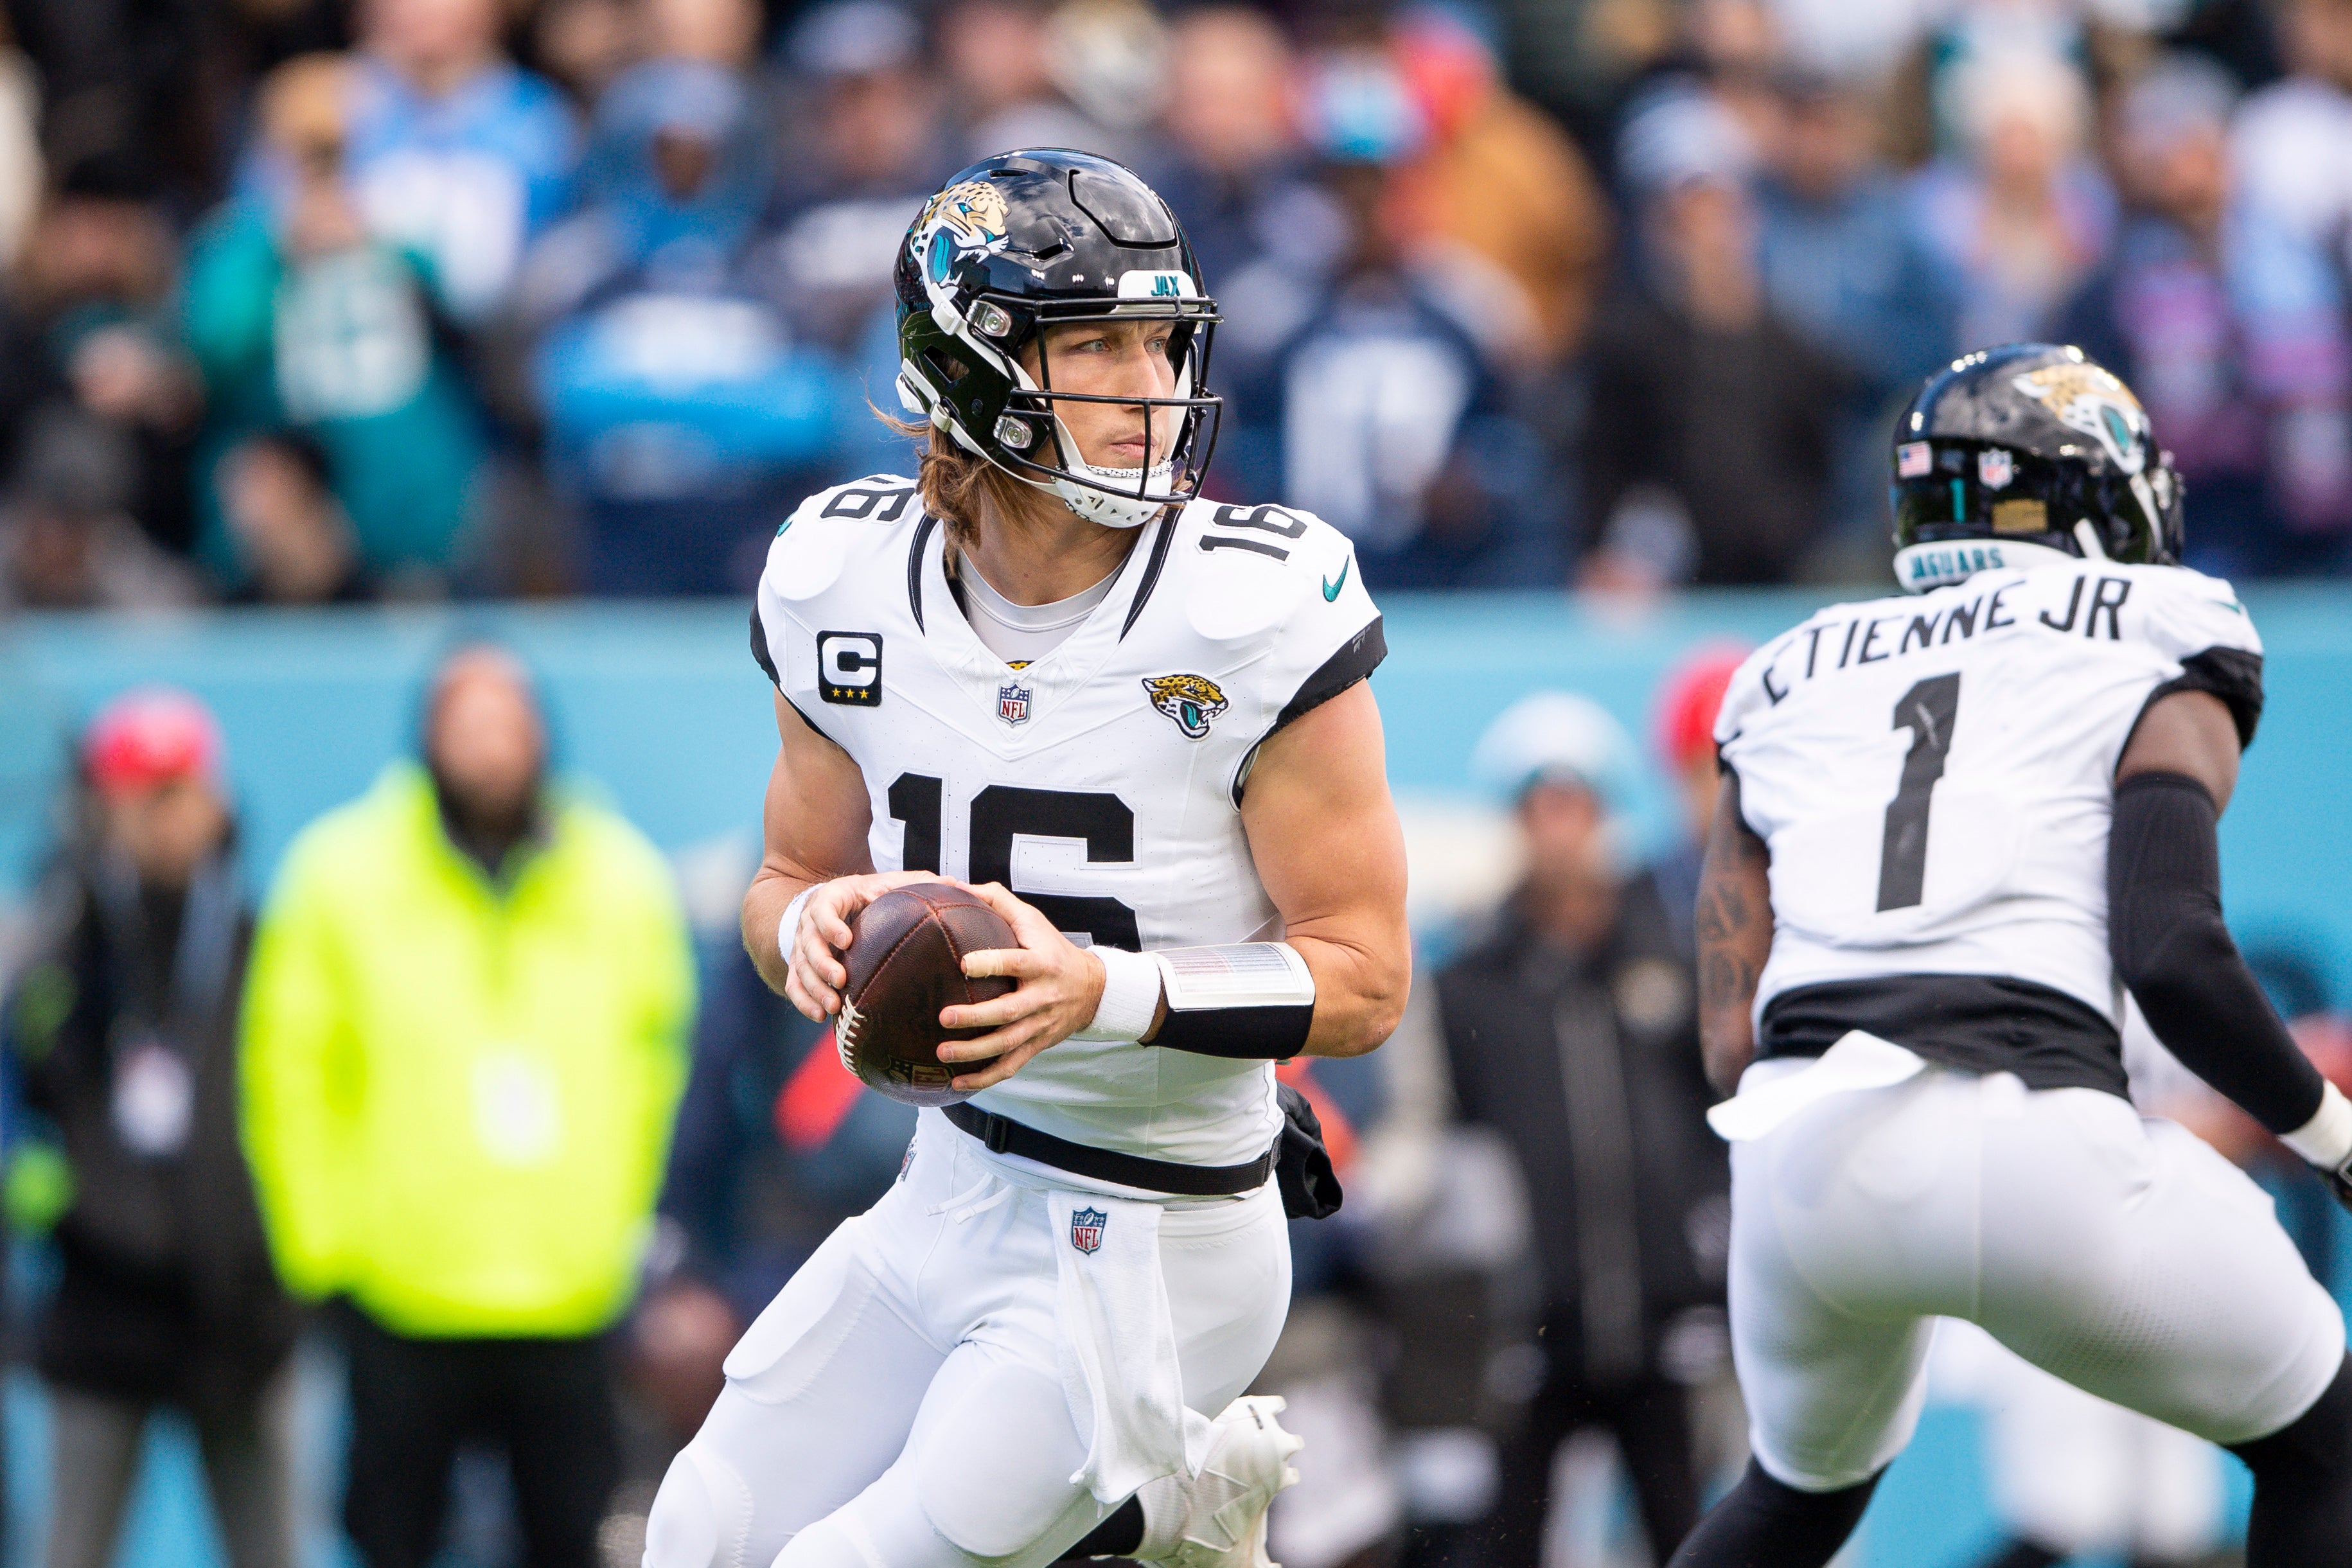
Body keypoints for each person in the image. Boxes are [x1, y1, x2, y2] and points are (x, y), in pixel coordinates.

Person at [641, 149, 1413, 1568]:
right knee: (700, 1532)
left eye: (1159, 337)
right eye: (1096, 344)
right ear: (976, 369)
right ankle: (1160, 1528)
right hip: (947, 1187)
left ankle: (1138, 1500)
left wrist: (1097, 991)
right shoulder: (841, 577)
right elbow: (776, 886)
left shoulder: (1252, 606)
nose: (1147, 382)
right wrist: (807, 923)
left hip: (1161, 1230)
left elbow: (1365, 983)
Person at [1667, 342, 2352, 1568]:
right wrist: (2333, 1141)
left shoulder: (1785, 670)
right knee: (2325, 1447)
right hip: (2032, 1134)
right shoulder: (2158, 623)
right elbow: (2173, 952)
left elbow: (1728, 1030)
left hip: (1798, 1156)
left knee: (1791, 1500)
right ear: (2096, 492)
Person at [240, 644, 695, 1568]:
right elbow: (288, 1069)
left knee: (574, 1538)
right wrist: (321, 1248)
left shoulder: (620, 877)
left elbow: (664, 1061)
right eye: (468, 723)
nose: (491, 749)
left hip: (570, 1289)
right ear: (427, 737)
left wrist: (628, 1219)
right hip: (401, 1289)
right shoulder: (338, 875)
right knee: (392, 1537)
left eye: (509, 723)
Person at [4, 691, 298, 1568]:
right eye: (145, 794)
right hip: (99, 1313)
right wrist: (77, 1217)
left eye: (182, 790)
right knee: (73, 1547)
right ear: (106, 808)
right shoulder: (62, 951)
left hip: (241, 1314)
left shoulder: (261, 947)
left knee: (270, 1546)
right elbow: (35, 1107)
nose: (168, 818)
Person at [1435, 693, 1727, 1568]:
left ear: (1605, 813)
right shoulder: (1472, 979)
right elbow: (1455, 1143)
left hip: (1663, 1313)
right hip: (1533, 1325)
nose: (1559, 829)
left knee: (1691, 1535)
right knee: (1509, 1542)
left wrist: (1703, 1252)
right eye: (1539, 806)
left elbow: (1714, 1122)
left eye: (1576, 804)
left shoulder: (1667, 957)